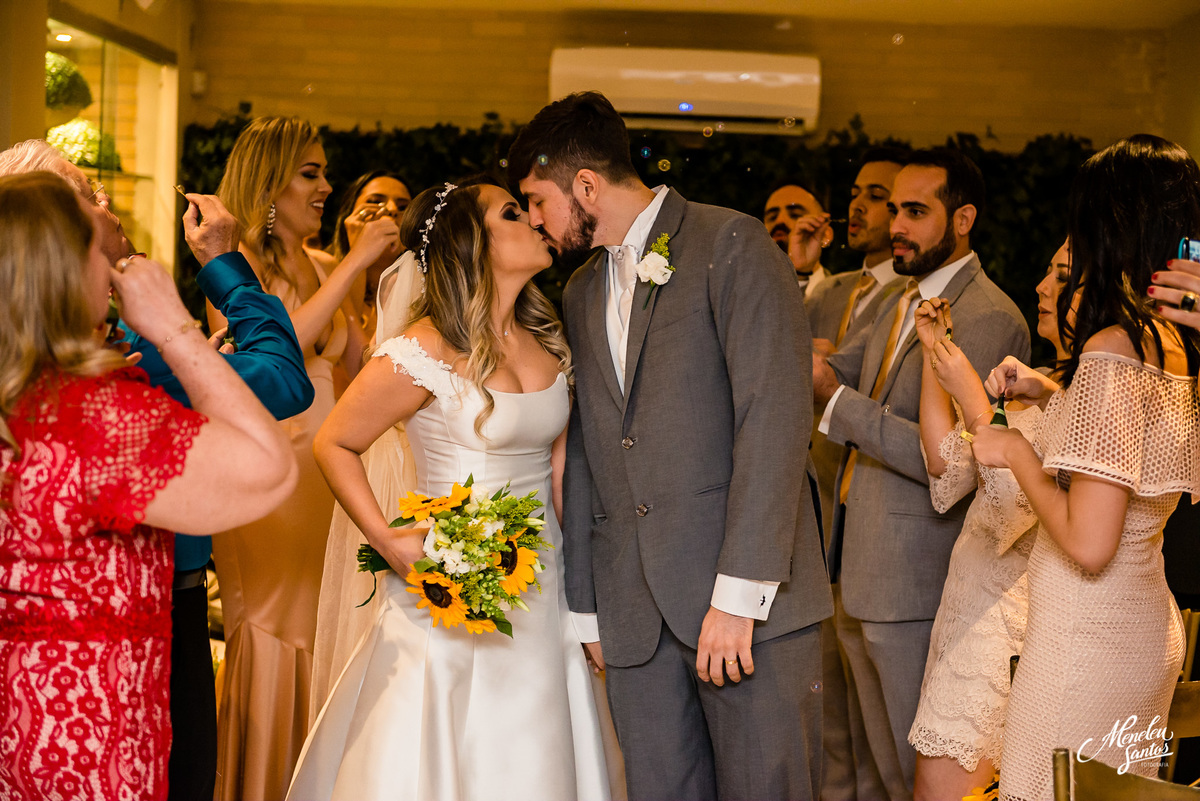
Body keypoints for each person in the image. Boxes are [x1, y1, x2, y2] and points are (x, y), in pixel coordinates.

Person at [509, 91, 832, 800]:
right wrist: (589, 606)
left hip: (747, 610)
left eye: (537, 200)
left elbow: (773, 422)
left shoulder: (733, 244)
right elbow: (593, 448)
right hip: (635, 626)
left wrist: (739, 596)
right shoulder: (582, 288)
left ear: (585, 185)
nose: (535, 219)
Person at [0, 138, 314, 801]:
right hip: (90, 738)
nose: (117, 256)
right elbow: (269, 463)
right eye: (93, 237)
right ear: (53, 267)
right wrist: (176, 328)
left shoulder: (23, 397)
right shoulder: (90, 411)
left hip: (26, 724)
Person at [289, 176, 615, 800]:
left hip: (543, 586)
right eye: (514, 212)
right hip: (450, 584)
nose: (536, 221)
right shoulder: (424, 349)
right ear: (473, 243)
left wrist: (584, 596)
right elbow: (335, 443)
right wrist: (387, 539)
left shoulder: (548, 341)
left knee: (536, 749)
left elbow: (561, 474)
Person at [973, 134, 1200, 801]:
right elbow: (1141, 453)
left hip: (1086, 637)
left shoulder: (1112, 344)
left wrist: (1014, 449)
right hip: (1142, 632)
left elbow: (1090, 541)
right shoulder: (1173, 342)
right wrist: (1053, 391)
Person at [813, 147, 1030, 800]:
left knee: (915, 781)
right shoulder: (899, 296)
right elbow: (840, 365)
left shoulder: (990, 314)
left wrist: (837, 404)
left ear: (962, 219)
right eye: (891, 207)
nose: (894, 224)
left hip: (916, 581)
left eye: (914, 210)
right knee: (872, 775)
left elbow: (956, 464)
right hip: (856, 566)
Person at [210, 116, 399, 801]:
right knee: (273, 631)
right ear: (269, 183)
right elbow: (277, 349)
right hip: (267, 480)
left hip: (326, 475)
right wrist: (353, 261)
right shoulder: (234, 271)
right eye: (309, 173)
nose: (325, 186)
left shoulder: (323, 268)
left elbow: (357, 369)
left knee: (328, 634)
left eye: (325, 172)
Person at [907, 240, 1073, 801]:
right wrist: (938, 355)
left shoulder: (1082, 401)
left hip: (1000, 633)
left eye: (1061, 275)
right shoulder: (1048, 385)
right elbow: (946, 472)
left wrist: (973, 399)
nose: (1041, 287)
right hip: (964, 614)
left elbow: (1011, 510)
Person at [802, 146, 905, 801]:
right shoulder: (833, 290)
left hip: (877, 527)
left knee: (885, 739)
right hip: (817, 523)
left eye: (881, 195)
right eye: (859, 193)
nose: (861, 205)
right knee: (832, 725)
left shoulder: (911, 300)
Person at [311, 170, 412, 337]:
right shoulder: (322, 273)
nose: (392, 210)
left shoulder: (424, 288)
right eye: (375, 202)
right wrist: (357, 251)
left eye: (403, 207)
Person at [763, 176, 832, 296]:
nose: (780, 221)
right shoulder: (744, 296)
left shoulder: (848, 296)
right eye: (772, 217)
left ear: (826, 235)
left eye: (795, 215)